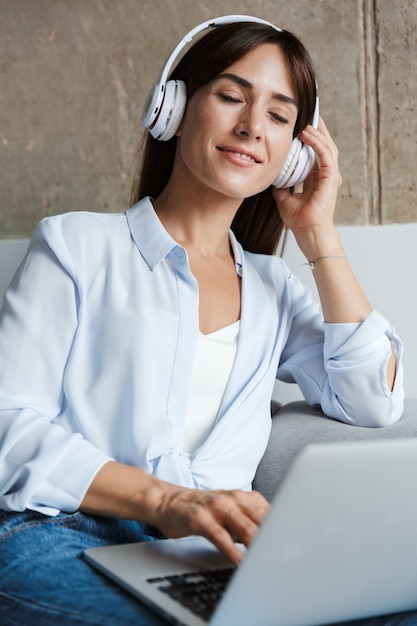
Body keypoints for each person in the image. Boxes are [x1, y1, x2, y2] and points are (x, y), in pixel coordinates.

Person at [0, 14, 406, 626]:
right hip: (61, 529)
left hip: (203, 553)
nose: (250, 127)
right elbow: (8, 424)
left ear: (294, 154)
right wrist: (166, 500)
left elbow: (374, 399)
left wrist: (319, 233)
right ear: (174, 108)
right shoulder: (75, 245)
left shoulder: (274, 289)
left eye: (278, 115)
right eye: (231, 96)